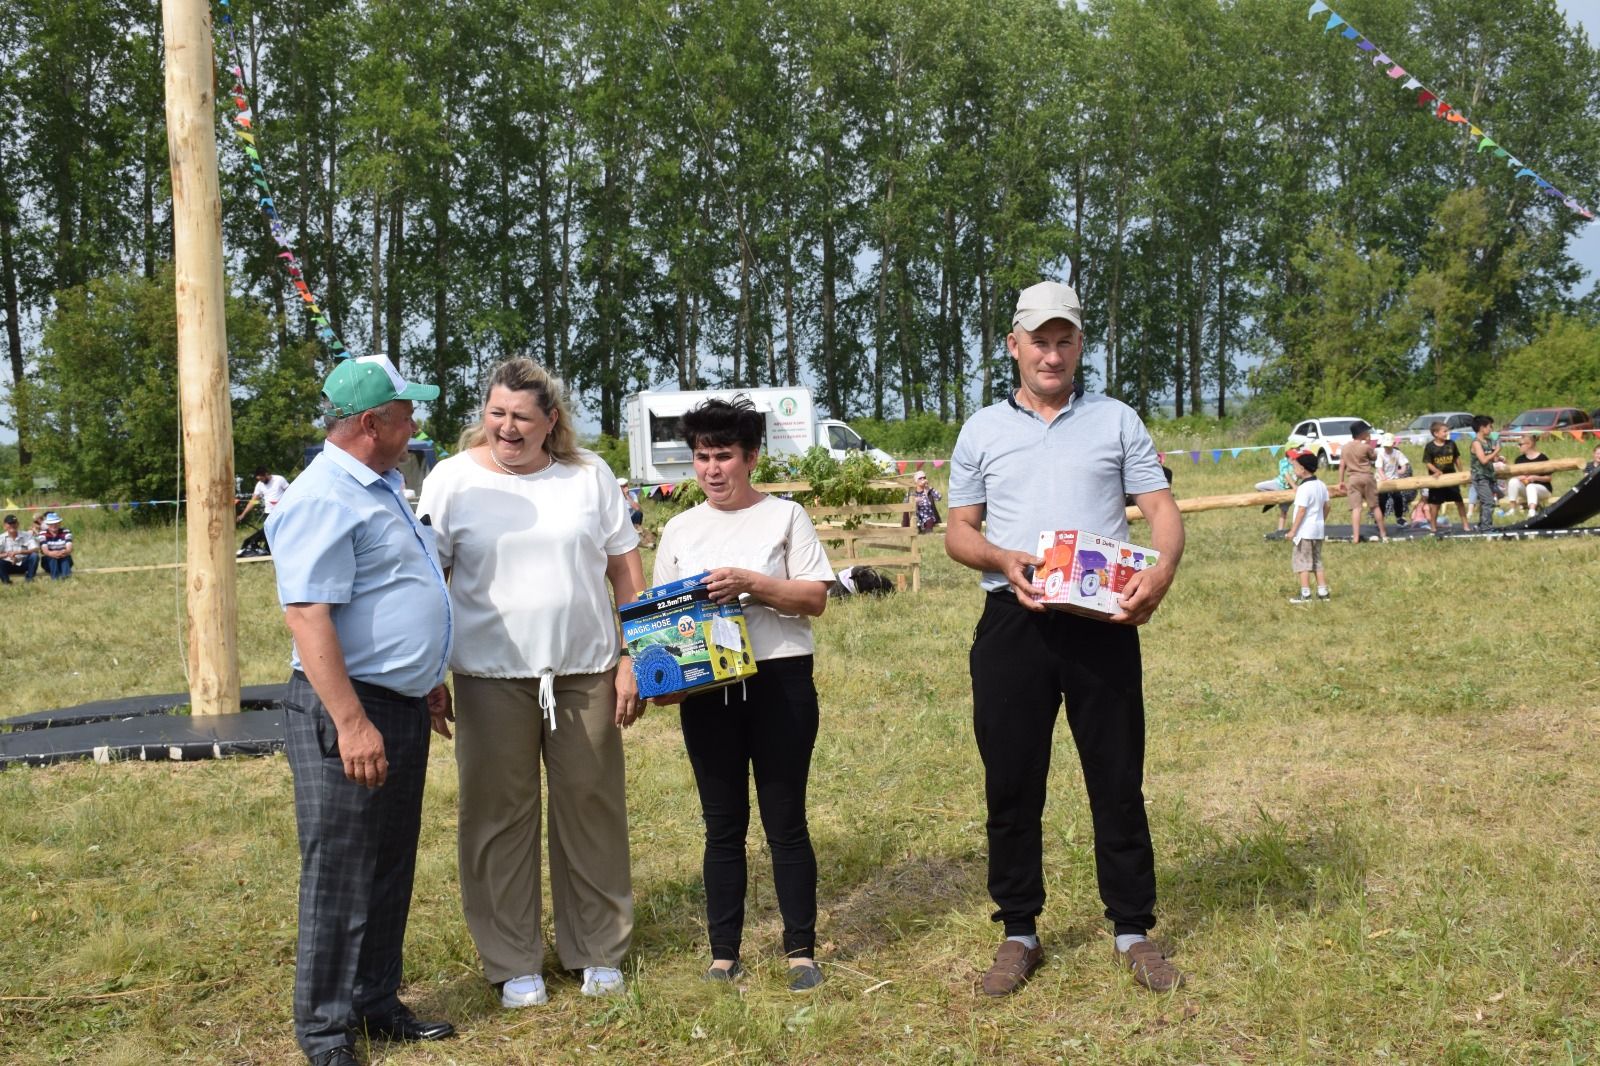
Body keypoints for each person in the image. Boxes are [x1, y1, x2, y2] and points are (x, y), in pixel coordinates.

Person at [944, 280, 1186, 996]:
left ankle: (1133, 930)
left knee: (1116, 777)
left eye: (1065, 340)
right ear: (1013, 346)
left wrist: (1163, 571)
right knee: (1011, 780)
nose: (1052, 354)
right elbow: (960, 531)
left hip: (1101, 621)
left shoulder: (1116, 421)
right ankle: (1019, 931)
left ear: (1081, 345)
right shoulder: (981, 430)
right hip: (1012, 621)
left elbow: (1161, 511)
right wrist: (999, 557)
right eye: (1039, 341)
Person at [416, 358, 644, 1010]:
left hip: (585, 671)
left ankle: (597, 948)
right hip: (490, 675)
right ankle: (513, 959)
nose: (506, 427)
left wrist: (635, 654)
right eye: (495, 412)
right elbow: (428, 584)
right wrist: (431, 672)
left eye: (521, 416)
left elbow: (625, 569)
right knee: (496, 817)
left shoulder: (589, 475)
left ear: (551, 421)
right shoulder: (451, 481)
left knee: (591, 808)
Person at [264, 354, 457, 1066]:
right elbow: (309, 616)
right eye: (407, 413)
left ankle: (374, 1000)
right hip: (347, 707)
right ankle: (325, 1032)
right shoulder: (323, 496)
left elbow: (389, 593)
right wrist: (350, 721)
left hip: (398, 704)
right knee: (341, 870)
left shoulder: (380, 487)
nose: (415, 423)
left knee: (388, 862)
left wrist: (424, 677)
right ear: (373, 423)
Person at [650, 396, 835, 992]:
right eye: (702, 457)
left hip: (779, 680)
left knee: (785, 820)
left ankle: (800, 950)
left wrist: (752, 584)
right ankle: (723, 952)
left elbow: (813, 598)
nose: (711, 469)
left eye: (724, 456)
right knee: (721, 824)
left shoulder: (786, 518)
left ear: (751, 457)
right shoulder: (679, 528)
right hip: (709, 689)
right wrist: (663, 681)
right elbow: (659, 622)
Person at [1287, 452, 1330, 603]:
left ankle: (1305, 594)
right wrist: (1320, 521)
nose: (1294, 470)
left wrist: (1293, 530)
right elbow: (1327, 507)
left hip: (1304, 531)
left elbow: (1302, 510)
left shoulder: (1304, 488)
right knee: (1317, 560)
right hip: (1317, 530)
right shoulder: (1321, 485)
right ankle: (1323, 592)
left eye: (1296, 467)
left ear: (1303, 469)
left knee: (1302, 562)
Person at [1336, 422, 1386, 544]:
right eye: (1366, 432)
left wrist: (1341, 481)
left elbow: (1342, 465)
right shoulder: (1365, 447)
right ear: (1362, 434)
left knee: (1356, 509)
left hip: (1353, 478)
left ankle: (1356, 537)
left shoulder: (1345, 447)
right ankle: (1383, 534)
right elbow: (1373, 457)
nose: (1368, 434)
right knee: (1374, 506)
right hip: (1367, 477)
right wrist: (1369, 444)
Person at [1422, 421, 1467, 532]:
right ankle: (1433, 527)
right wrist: (1436, 471)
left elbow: (1456, 458)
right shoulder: (1430, 447)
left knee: (1460, 502)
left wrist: (1461, 472)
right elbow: (1427, 462)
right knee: (1435, 505)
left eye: (1447, 431)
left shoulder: (1451, 443)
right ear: (1436, 433)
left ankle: (1466, 525)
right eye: (1444, 431)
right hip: (1437, 480)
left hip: (1451, 477)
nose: (1447, 433)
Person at [237, 466, 290, 556]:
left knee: (281, 533)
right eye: (259, 479)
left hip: (282, 512)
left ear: (266, 474)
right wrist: (243, 514)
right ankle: (267, 552)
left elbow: (290, 492)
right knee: (267, 534)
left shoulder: (279, 479)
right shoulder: (259, 485)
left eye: (262, 478)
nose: (261, 481)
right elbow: (254, 501)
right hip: (268, 513)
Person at [1503, 433, 1553, 514]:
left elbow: (1549, 478)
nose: (1518, 446)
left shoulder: (1542, 458)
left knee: (1531, 486)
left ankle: (1532, 511)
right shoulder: (1519, 459)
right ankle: (1512, 509)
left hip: (1543, 490)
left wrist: (1535, 478)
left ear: (1529, 444)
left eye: (1520, 444)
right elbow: (1516, 475)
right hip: (1526, 489)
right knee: (1513, 481)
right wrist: (1519, 477)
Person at [1469, 415, 1502, 530]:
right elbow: (1483, 460)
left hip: (1489, 475)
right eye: (1489, 426)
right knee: (1488, 501)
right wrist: (1496, 451)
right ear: (1482, 428)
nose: (1491, 429)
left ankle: (1482, 524)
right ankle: (1486, 527)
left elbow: (1493, 458)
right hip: (1480, 476)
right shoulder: (1476, 443)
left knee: (1486, 502)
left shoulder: (1488, 441)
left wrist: (1499, 456)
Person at [1255, 448, 1300, 531]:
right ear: (1288, 457)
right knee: (1258, 486)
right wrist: (1294, 486)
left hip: (1288, 491)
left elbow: (1300, 475)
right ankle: (1272, 501)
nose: (1293, 459)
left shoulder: (1298, 463)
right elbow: (1286, 475)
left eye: (1294, 458)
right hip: (1278, 485)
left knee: (1284, 511)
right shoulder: (1283, 462)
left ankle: (1280, 531)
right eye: (1291, 458)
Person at [1374, 433, 1414, 527]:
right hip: (1382, 481)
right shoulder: (1381, 454)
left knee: (1398, 498)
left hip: (1394, 480)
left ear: (1393, 444)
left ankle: (1399, 518)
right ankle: (1379, 519)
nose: (1387, 448)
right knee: (1382, 500)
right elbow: (1379, 468)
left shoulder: (1397, 453)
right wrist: (1384, 477)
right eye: (1385, 446)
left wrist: (1401, 471)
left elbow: (1404, 465)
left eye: (1389, 446)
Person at [1, 513, 39, 584]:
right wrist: (8, 555)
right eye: (10, 523)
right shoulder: (1, 538)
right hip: (8, 565)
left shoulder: (27, 535)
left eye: (14, 523)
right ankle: (6, 582)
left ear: (18, 524)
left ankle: (29, 579)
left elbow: (36, 549)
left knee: (34, 556)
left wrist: (19, 552)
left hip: (23, 563)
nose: (12, 525)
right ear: (5, 526)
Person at [38, 513, 73, 579]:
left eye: (56, 523)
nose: (54, 525)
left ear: (60, 523)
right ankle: (56, 579)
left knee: (65, 557)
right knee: (52, 558)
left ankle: (66, 578)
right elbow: (45, 551)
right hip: (48, 562)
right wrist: (53, 553)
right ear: (47, 525)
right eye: (51, 524)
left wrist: (63, 552)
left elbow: (69, 549)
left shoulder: (66, 532)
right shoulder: (42, 534)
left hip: (64, 558)